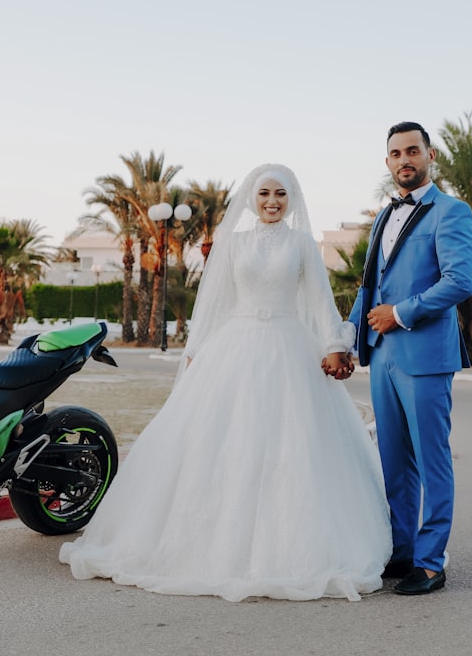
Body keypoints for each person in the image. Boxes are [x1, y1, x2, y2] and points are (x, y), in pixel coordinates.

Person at [60, 163, 392, 602]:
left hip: (289, 346)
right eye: (264, 194)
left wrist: (334, 343)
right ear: (252, 199)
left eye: (280, 194)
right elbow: (214, 303)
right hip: (234, 346)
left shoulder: (302, 244)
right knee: (219, 442)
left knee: (291, 445)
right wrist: (196, 354)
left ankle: (291, 549)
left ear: (292, 199)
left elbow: (318, 298)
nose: (272, 201)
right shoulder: (233, 245)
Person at [348, 122, 472, 595]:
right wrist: (346, 338)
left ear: (430, 155)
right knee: (394, 461)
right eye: (396, 153)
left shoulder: (452, 211)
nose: (405, 159)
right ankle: (402, 551)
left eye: (413, 151)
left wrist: (401, 314)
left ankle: (430, 562)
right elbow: (370, 288)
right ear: (387, 162)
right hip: (382, 357)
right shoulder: (384, 216)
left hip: (424, 355)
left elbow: (460, 280)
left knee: (431, 459)